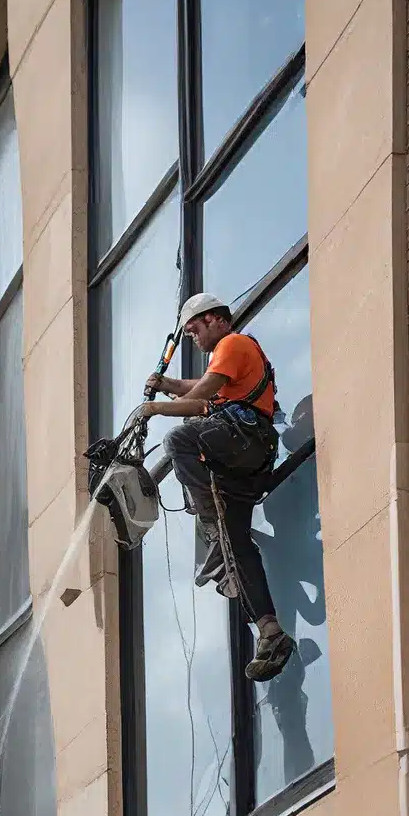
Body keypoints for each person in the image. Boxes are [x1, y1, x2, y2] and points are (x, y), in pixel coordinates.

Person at [140, 292, 296, 683]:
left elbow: (200, 397)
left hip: (247, 441)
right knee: (236, 544)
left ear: (215, 319)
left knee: (178, 441)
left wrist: (157, 407)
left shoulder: (233, 343)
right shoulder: (230, 370)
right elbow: (200, 389)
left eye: (194, 328)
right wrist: (168, 384)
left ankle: (208, 515)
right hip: (244, 461)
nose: (192, 336)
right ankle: (270, 631)